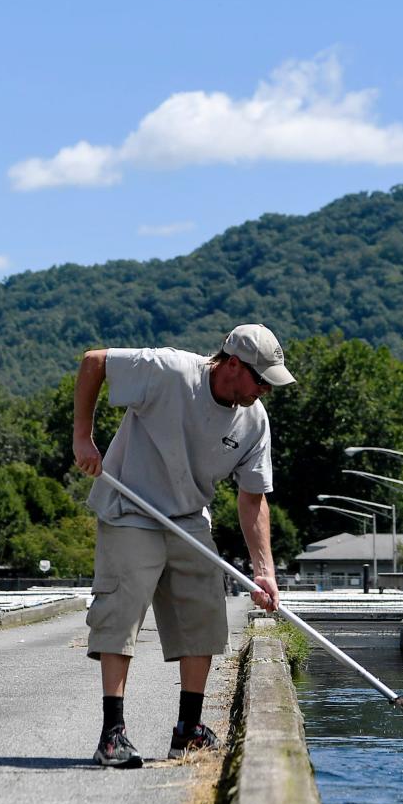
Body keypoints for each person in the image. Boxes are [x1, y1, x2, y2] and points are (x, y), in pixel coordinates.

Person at [72, 323, 295, 768]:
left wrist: (263, 569)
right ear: (233, 364)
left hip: (189, 518)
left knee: (204, 616)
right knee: (120, 613)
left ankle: (188, 731)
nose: (265, 392)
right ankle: (111, 735)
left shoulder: (255, 421)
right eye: (261, 380)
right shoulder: (170, 370)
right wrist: (83, 436)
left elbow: (252, 497)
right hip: (129, 505)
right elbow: (94, 361)